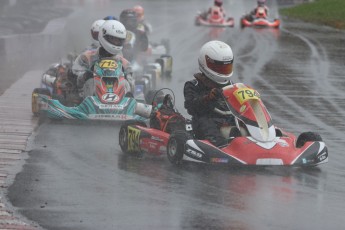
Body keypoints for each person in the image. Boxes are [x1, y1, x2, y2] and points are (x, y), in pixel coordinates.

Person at [184, 40, 235, 147]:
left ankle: (263, 138)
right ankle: (221, 146)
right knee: (204, 121)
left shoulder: (232, 85)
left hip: (229, 119)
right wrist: (208, 98)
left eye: (226, 67)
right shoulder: (193, 85)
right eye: (219, 68)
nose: (223, 71)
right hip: (205, 122)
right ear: (205, 63)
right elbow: (191, 107)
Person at [72, 20, 134, 94]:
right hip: (88, 99)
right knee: (90, 82)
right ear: (103, 35)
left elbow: (131, 86)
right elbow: (75, 80)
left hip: (118, 99)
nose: (116, 42)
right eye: (113, 39)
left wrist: (125, 77)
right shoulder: (86, 57)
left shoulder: (125, 63)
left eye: (119, 40)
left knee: (125, 81)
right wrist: (86, 75)